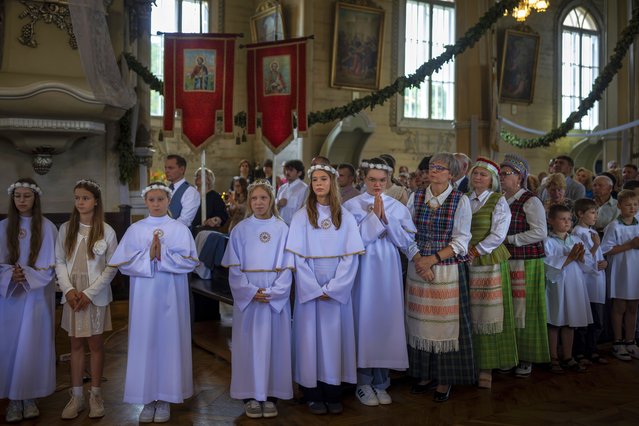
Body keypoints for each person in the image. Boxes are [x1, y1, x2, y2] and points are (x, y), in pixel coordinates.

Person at [108, 182, 198, 423]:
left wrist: (164, 254)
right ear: (145, 202)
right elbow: (123, 264)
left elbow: (190, 262)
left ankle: (166, 397)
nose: (156, 204)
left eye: (161, 199)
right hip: (144, 298)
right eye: (152, 200)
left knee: (169, 341)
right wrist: (148, 256)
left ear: (169, 201)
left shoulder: (179, 229)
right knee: (145, 341)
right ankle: (147, 399)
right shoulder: (136, 229)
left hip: (171, 295)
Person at [286, 164, 364, 415]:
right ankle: (312, 392)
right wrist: (312, 287)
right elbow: (297, 258)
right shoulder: (301, 217)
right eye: (315, 180)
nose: (319, 184)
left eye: (324, 179)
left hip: (336, 289)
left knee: (334, 340)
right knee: (309, 340)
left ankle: (333, 391)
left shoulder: (345, 216)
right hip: (310, 287)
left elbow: (350, 258)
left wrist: (333, 288)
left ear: (332, 182)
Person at [343, 158, 423, 406]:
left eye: (381, 180)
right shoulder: (350, 206)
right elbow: (350, 241)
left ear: (388, 181)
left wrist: (386, 220)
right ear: (363, 179)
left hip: (387, 269)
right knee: (364, 320)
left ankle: (382, 381)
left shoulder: (398, 207)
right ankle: (363, 382)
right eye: (371, 180)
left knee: (386, 320)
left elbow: (407, 241)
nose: (377, 184)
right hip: (363, 270)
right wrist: (374, 219)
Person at [406, 153, 475, 402]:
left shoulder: (460, 200)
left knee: (445, 325)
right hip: (417, 266)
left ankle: (445, 378)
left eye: (439, 168)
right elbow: (406, 232)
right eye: (431, 167)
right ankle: (424, 373)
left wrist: (431, 260)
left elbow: (461, 240)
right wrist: (418, 261)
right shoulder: (416, 196)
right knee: (420, 322)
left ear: (452, 175)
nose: (433, 171)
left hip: (445, 269)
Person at [222, 180, 293, 419]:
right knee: (248, 346)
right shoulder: (240, 229)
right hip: (249, 298)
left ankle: (271, 395)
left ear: (271, 200)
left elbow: (288, 266)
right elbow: (233, 268)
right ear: (249, 202)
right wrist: (250, 291)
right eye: (254, 199)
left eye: (263, 198)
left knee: (275, 346)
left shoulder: (283, 228)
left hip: (274, 296)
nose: (259, 203)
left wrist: (275, 292)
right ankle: (250, 395)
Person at [56, 180, 118, 420]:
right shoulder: (65, 229)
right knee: (75, 345)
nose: (80, 202)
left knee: (95, 344)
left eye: (85, 198)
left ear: (96, 201)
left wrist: (89, 294)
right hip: (72, 294)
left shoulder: (107, 231)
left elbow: (112, 267)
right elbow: (59, 261)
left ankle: (95, 394)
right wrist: (69, 290)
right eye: (77, 198)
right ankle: (77, 396)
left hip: (95, 294)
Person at [0, 178, 57, 423]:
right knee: (11, 347)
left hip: (36, 298)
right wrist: (9, 274)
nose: (22, 200)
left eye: (27, 196)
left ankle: (31, 397)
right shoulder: (3, 227)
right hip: (10, 298)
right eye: (18, 196)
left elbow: (52, 265)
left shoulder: (47, 227)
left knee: (33, 346)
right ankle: (13, 399)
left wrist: (29, 275)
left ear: (36, 198)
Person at [466, 158, 518, 389]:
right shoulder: (465, 199)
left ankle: (487, 366)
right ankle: (470, 362)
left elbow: (499, 234)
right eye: (475, 173)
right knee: (469, 312)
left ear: (492, 181)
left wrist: (476, 250)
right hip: (465, 260)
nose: (478, 177)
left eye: (483, 175)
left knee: (487, 315)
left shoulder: (498, 201)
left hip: (488, 261)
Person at [499, 154, 550, 377]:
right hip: (505, 260)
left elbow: (540, 232)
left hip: (526, 261)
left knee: (524, 309)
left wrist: (510, 239)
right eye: (500, 174)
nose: (501, 177)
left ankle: (526, 356)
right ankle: (509, 353)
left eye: (505, 174)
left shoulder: (530, 200)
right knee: (508, 308)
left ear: (519, 177)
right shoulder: (500, 198)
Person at [544, 204, 593, 373]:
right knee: (555, 322)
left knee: (570, 322)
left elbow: (588, 264)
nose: (567, 222)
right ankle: (553, 357)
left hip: (574, 284)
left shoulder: (577, 240)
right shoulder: (547, 241)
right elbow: (548, 266)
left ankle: (567, 355)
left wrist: (580, 258)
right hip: (556, 286)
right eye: (562, 219)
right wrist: (570, 257)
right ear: (551, 220)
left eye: (569, 219)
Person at [600, 190, 639, 361]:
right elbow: (605, 249)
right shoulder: (614, 226)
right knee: (620, 307)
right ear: (619, 206)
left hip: (636, 269)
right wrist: (630, 245)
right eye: (628, 204)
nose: (632, 208)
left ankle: (631, 340)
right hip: (621, 271)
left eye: (635, 204)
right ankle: (617, 342)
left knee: (633, 307)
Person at [571, 198, 608, 365]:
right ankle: (579, 352)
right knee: (584, 321)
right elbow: (580, 259)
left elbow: (598, 256)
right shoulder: (577, 233)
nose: (595, 216)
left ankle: (592, 350)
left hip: (597, 280)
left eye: (596, 213)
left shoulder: (591, 232)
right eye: (592, 212)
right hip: (585, 281)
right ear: (580, 214)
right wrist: (595, 248)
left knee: (597, 320)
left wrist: (604, 262)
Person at [165, 154, 200, 227]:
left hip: (179, 234)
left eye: (170, 168)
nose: (166, 171)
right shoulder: (166, 189)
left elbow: (185, 220)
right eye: (166, 168)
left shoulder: (190, 192)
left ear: (182, 169)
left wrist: (165, 229)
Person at [276, 160, 308, 225]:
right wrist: (278, 204)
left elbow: (304, 209)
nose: (287, 172)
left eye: (291, 170)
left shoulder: (304, 188)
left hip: (296, 225)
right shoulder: (282, 188)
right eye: (286, 170)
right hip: (281, 225)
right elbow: (274, 207)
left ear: (299, 173)